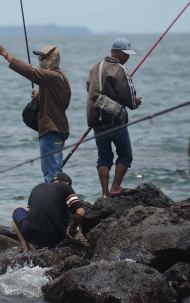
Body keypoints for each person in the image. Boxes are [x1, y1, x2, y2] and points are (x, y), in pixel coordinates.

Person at [0, 42, 71, 183]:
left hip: (51, 131)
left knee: (51, 174)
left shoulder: (51, 76)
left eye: (44, 58)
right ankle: (64, 200)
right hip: (59, 129)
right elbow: (59, 102)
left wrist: (5, 54)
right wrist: (40, 98)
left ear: (53, 60)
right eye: (40, 58)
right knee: (56, 171)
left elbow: (29, 71)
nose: (40, 61)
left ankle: (55, 202)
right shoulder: (61, 77)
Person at [86, 38, 143, 198]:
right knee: (125, 154)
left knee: (104, 156)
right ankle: (115, 187)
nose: (128, 58)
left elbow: (89, 88)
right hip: (115, 120)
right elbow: (129, 98)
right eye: (126, 54)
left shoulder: (95, 67)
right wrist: (136, 102)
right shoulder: (120, 69)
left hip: (96, 120)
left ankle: (104, 194)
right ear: (116, 52)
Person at [11, 173, 85, 251]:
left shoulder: (37, 187)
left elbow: (29, 214)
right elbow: (80, 213)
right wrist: (73, 228)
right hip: (55, 238)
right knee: (70, 207)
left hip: (31, 235)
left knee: (16, 208)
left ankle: (26, 248)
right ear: (67, 183)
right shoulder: (66, 187)